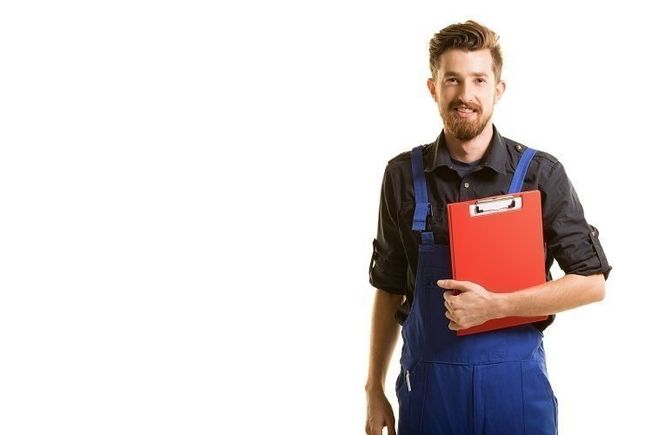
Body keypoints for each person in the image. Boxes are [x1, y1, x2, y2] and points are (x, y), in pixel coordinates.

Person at [364, 20, 612, 435]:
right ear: (433, 88)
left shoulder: (539, 174)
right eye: (453, 80)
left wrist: (495, 307)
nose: (466, 94)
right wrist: (374, 388)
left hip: (515, 395)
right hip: (430, 394)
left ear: (498, 89)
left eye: (479, 80)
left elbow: (591, 283)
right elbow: (388, 287)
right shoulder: (403, 175)